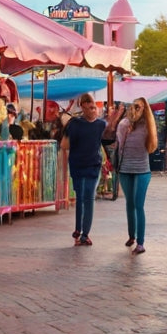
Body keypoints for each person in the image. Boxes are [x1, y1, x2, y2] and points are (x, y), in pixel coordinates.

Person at [61, 93, 107, 247]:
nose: (92, 109)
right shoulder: (76, 123)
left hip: (89, 165)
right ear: (83, 107)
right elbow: (64, 145)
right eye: (90, 106)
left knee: (86, 198)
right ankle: (80, 231)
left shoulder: (100, 124)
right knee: (84, 198)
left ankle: (83, 233)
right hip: (81, 165)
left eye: (93, 107)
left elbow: (108, 139)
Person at [117, 97, 158, 254]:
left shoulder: (149, 126)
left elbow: (152, 147)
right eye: (133, 106)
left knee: (138, 205)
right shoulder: (124, 124)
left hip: (142, 170)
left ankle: (140, 242)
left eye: (138, 107)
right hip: (125, 169)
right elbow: (119, 144)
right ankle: (131, 235)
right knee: (129, 204)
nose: (135, 109)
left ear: (145, 109)